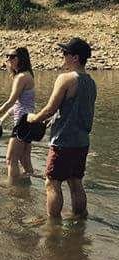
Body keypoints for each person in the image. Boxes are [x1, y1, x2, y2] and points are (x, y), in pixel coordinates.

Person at [27, 37, 96, 218]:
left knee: (52, 182)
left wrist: (33, 118)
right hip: (82, 142)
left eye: (65, 53)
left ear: (75, 57)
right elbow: (76, 110)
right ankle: (80, 220)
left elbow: (50, 108)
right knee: (75, 182)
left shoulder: (65, 78)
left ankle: (53, 226)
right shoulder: (91, 82)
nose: (62, 56)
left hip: (63, 141)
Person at [0, 47, 35, 183]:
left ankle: (13, 192)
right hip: (28, 122)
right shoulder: (27, 75)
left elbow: (11, 101)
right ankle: (26, 190)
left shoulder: (21, 77)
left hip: (23, 123)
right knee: (24, 160)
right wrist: (3, 118)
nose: (8, 60)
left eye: (12, 57)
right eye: (7, 56)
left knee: (10, 159)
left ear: (21, 59)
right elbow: (19, 103)